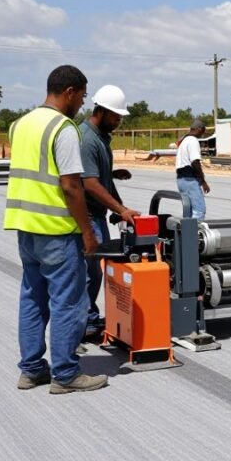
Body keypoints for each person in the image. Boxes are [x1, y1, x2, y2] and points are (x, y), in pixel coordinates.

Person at [4, 64, 107, 394]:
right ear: (69, 92)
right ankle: (65, 374)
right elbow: (71, 186)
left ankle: (31, 370)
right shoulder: (63, 128)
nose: (83, 103)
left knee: (33, 299)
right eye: (82, 96)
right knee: (68, 302)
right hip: (57, 231)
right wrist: (88, 232)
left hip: (25, 228)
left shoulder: (20, 125)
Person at [79, 84, 141, 340]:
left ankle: (89, 319)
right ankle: (80, 326)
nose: (118, 121)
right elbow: (90, 183)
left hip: (99, 215)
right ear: (101, 111)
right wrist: (122, 210)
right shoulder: (86, 138)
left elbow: (102, 179)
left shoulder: (102, 137)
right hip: (87, 216)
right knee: (87, 273)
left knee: (95, 272)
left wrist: (119, 209)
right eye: (115, 116)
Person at [176, 119, 210, 220]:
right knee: (199, 210)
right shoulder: (193, 141)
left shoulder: (184, 141)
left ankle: (186, 234)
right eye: (203, 131)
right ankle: (194, 235)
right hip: (190, 180)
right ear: (199, 129)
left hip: (181, 180)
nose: (203, 134)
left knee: (188, 211)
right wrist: (203, 182)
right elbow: (195, 162)